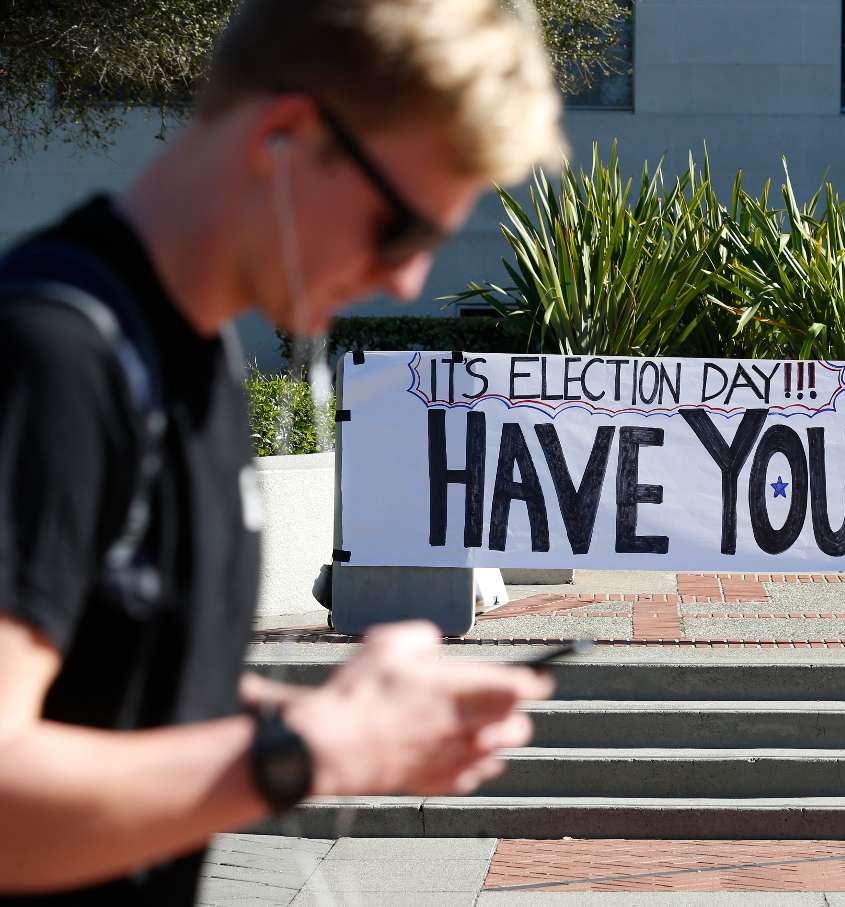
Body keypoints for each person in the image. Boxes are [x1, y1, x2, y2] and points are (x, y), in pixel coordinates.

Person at [0, 0, 566, 901]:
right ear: (287, 137)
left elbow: (141, 696)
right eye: (403, 229)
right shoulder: (52, 359)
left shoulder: (194, 361)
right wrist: (307, 751)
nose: (405, 278)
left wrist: (351, 719)